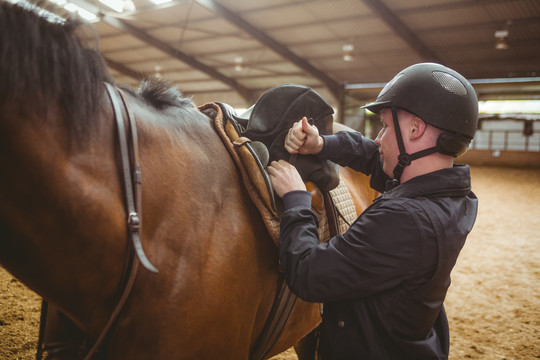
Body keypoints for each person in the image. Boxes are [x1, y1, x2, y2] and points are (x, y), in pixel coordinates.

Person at [267, 62, 479, 360]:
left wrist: (296, 199)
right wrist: (321, 144)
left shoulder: (406, 218)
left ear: (415, 129)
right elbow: (373, 156)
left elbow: (309, 274)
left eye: (386, 126)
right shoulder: (452, 194)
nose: (378, 138)